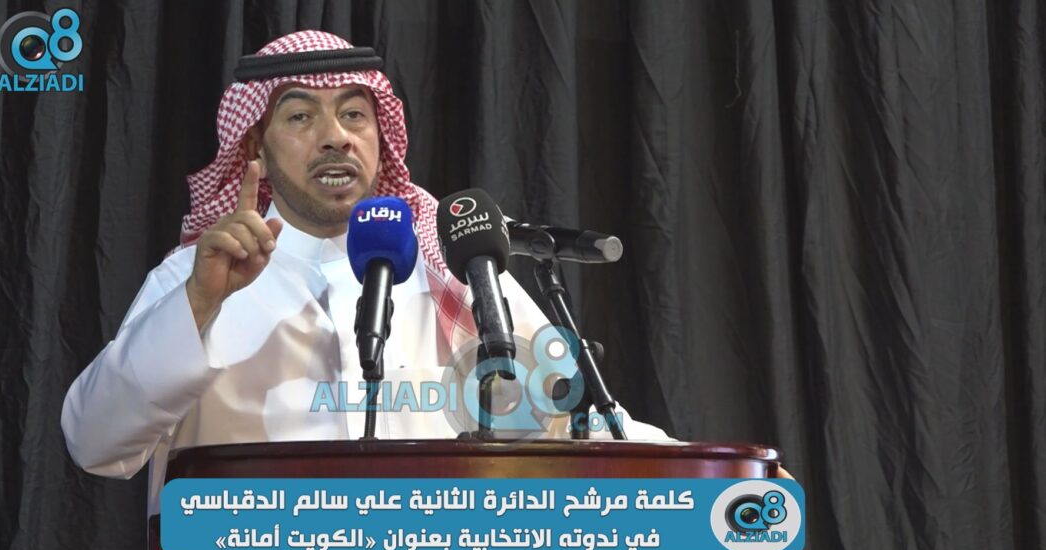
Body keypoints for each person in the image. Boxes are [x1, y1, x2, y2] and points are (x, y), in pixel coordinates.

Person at [61, 30, 674, 523]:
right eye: (300, 117)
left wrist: (701, 482)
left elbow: (579, 420)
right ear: (255, 148)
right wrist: (198, 304)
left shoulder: (454, 267)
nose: (336, 137)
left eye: (354, 114)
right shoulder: (194, 279)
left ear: (381, 138)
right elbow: (94, 443)